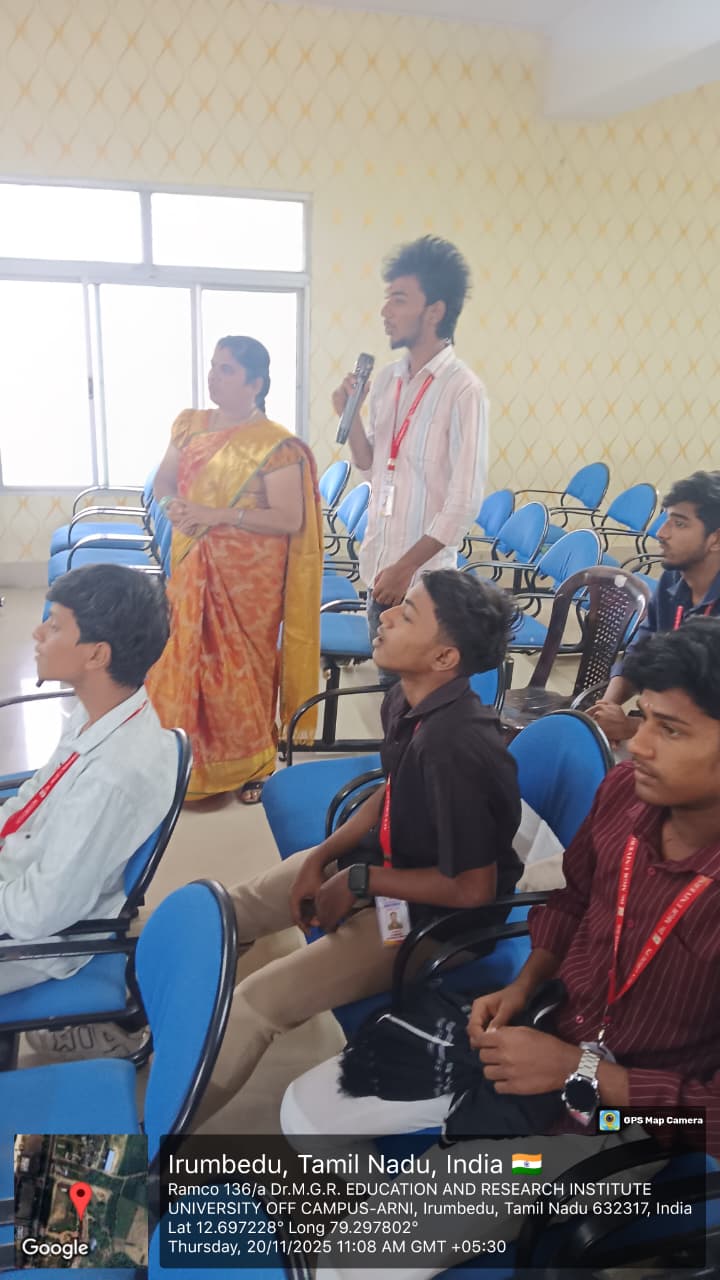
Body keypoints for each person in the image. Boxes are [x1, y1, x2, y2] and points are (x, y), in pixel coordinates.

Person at [282, 619, 720, 1277]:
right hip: (541, 1026)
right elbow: (571, 902)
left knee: (354, 1259)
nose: (640, 743)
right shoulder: (624, 795)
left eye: (673, 730)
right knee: (302, 1115)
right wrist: (522, 986)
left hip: (623, 1113)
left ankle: (439, 1218)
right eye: (645, 718)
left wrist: (579, 1072)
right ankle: (437, 1212)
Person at [192, 570, 521, 1125]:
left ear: (444, 657)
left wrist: (360, 881)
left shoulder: (458, 748)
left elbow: (473, 889)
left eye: (407, 614)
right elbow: (389, 795)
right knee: (238, 904)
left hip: (434, 921)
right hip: (388, 866)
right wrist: (323, 857)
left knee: (256, 1005)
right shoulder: (405, 700)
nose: (384, 615)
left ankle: (155, 1142)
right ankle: (158, 1006)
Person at [147, 336, 323, 802]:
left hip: (249, 579)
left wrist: (215, 514)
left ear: (256, 383)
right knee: (185, 655)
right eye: (213, 366)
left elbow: (289, 518)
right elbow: (164, 480)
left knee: (244, 668)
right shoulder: (190, 425)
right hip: (192, 560)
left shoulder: (275, 445)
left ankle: (253, 763)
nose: (213, 376)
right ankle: (183, 761)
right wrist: (172, 507)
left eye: (226, 369)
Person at [0, 564, 176, 999]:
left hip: (33, 942)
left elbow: (37, 913)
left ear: (97, 655)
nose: (39, 633)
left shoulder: (112, 777)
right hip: (21, 875)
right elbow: (34, 794)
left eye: (55, 625)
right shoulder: (100, 711)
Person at [333, 236, 488, 684]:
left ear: (434, 311)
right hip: (379, 573)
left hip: (424, 590)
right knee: (390, 700)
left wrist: (405, 568)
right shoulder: (388, 381)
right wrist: (351, 416)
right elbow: (372, 467)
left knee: (416, 703)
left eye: (399, 299)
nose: (386, 311)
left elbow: (464, 503)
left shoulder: (463, 390)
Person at [589, 469, 720, 746]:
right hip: (664, 722)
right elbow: (640, 652)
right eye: (666, 519)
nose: (661, 533)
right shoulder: (673, 580)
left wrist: (631, 727)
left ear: (716, 539)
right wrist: (606, 709)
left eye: (680, 523)